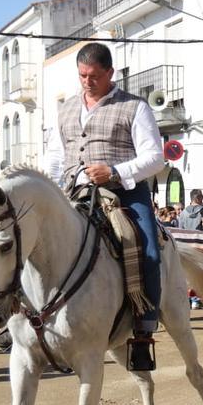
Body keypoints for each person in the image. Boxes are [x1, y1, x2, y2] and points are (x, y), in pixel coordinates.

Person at [43, 42, 165, 370]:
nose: (86, 81)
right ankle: (26, 317)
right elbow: (56, 156)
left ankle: (143, 330)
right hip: (73, 192)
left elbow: (155, 157)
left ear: (110, 73)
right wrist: (51, 190)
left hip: (123, 194)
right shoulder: (66, 109)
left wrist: (114, 171)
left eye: (94, 76)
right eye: (82, 75)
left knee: (148, 250)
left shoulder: (135, 106)